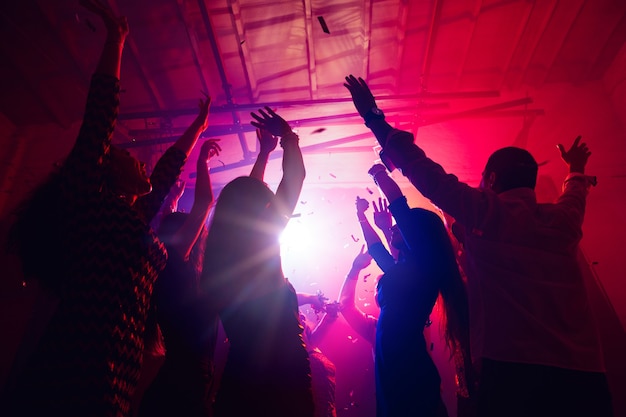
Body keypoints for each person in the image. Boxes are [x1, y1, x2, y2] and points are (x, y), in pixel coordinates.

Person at [344, 74, 612, 417]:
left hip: (515, 371)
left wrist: (375, 119)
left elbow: (423, 170)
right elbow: (575, 195)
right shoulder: (563, 222)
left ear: (492, 180)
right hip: (585, 375)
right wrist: (575, 169)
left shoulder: (485, 212)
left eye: (484, 179)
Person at [1, 1, 210, 414]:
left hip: (116, 373)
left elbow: (166, 172)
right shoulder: (89, 204)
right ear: (105, 174)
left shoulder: (133, 219)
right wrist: (115, 41)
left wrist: (197, 129)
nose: (141, 161)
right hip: (75, 368)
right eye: (129, 157)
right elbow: (99, 121)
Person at [202, 108, 313, 417]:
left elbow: (245, 202)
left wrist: (264, 155)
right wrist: (288, 138)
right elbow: (295, 178)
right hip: (283, 380)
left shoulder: (218, 259)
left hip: (239, 383)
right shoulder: (263, 240)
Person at [138, 139, 222, 417]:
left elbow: (171, 226)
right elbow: (204, 203)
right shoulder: (174, 261)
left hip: (183, 377)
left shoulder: (170, 267)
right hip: (185, 382)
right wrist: (201, 162)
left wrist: (171, 203)